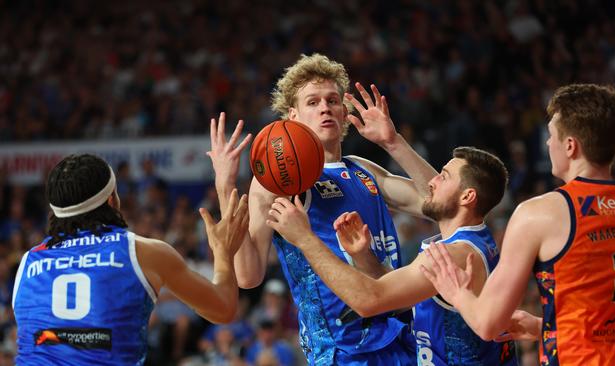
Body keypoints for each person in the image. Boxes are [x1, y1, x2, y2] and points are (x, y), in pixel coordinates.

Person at [209, 54, 437, 364]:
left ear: (345, 113)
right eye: (313, 102)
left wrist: (394, 142)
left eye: (331, 100)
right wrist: (225, 187)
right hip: (340, 350)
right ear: (293, 116)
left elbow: (440, 203)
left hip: (400, 331)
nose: (325, 108)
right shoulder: (276, 184)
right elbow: (247, 276)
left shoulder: (363, 170)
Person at [420, 84, 615, 365]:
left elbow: (487, 323)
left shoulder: (540, 213)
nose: (546, 144)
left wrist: (455, 291)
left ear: (570, 146)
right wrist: (544, 327)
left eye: (551, 135)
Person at [267, 147, 518, 365]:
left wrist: (305, 238)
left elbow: (369, 301)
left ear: (467, 196)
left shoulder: (454, 254)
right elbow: (399, 299)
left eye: (444, 176)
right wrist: (364, 256)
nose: (432, 181)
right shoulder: (474, 242)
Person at [12, 153, 249, 365]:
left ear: (54, 210)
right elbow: (223, 309)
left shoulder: (28, 262)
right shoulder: (142, 251)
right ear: (111, 200)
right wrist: (222, 252)